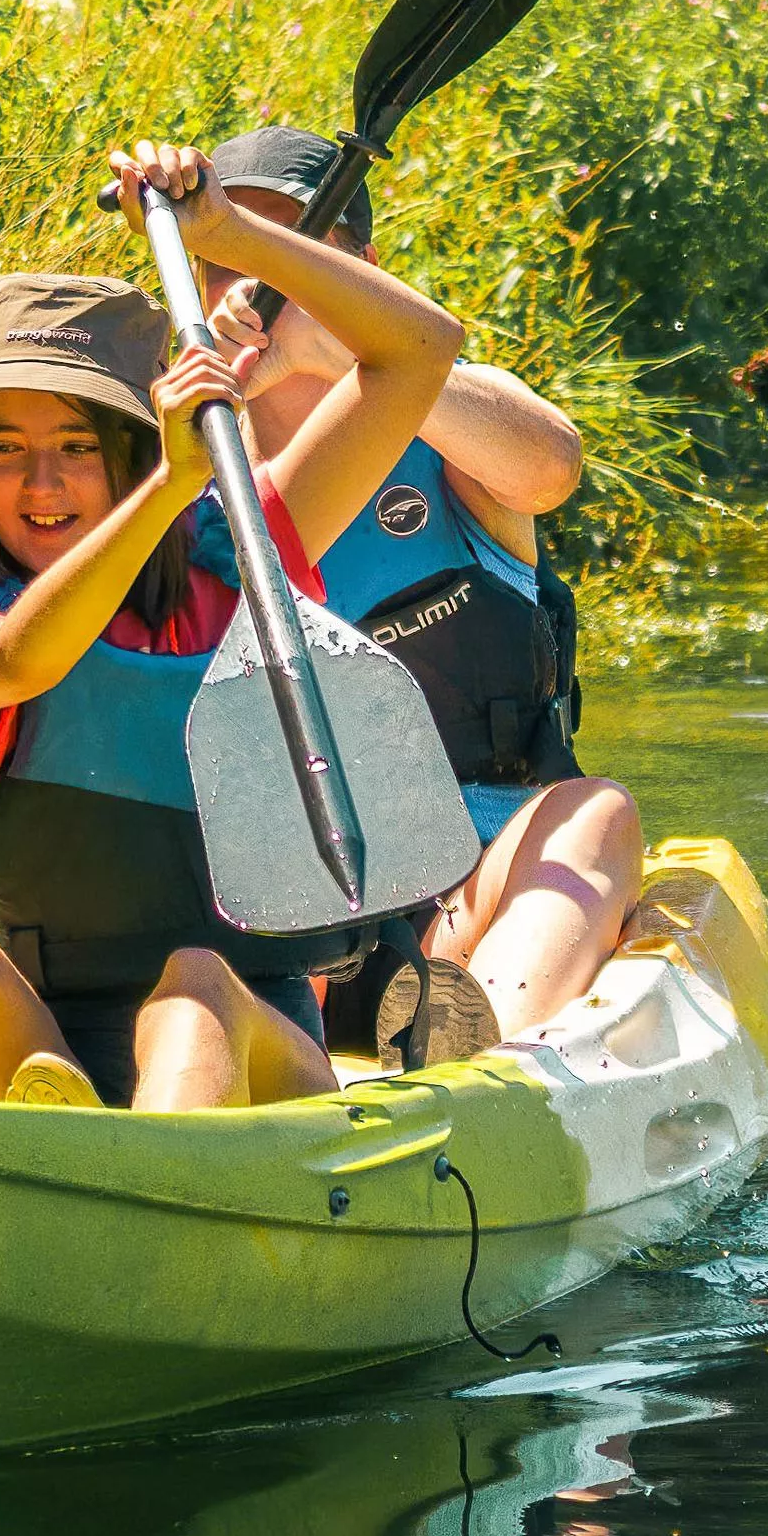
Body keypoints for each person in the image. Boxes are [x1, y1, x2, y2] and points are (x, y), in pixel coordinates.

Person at [0, 138, 471, 1111]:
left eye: (75, 446)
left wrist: (227, 232)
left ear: (129, 450)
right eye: (4, 450)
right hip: (40, 1048)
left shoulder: (238, 556)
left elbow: (415, 354)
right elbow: (21, 661)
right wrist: (161, 492)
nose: (39, 484)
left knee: (191, 990)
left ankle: (144, 1191)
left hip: (245, 1059)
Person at [195, 123, 643, 1062]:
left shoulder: (452, 423)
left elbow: (551, 467)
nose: (259, 286)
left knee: (596, 811)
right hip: (287, 887)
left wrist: (349, 353)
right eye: (229, 255)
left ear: (363, 267)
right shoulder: (170, 460)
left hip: (479, 885)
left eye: (298, 252)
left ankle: (471, 1050)